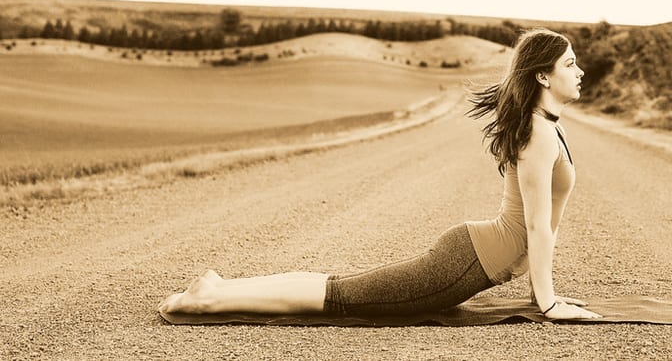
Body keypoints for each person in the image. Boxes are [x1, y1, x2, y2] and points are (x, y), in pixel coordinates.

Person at [158, 28, 601, 320]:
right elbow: (536, 227)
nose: (579, 72)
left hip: (472, 252)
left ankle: (220, 287)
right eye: (569, 64)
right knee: (343, 297)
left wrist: (541, 294)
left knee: (342, 286)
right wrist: (548, 303)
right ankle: (211, 299)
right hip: (466, 262)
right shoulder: (539, 134)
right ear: (542, 77)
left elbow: (541, 225)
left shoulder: (548, 127)